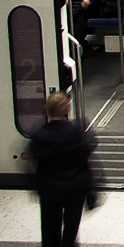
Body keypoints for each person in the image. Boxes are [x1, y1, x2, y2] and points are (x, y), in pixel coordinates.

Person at [28, 92, 97, 247]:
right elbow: (87, 153)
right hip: (74, 188)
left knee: (49, 230)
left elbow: (33, 158)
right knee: (71, 229)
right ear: (67, 108)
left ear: (48, 110)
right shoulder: (76, 132)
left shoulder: (39, 135)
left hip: (49, 190)